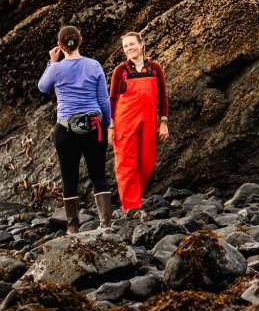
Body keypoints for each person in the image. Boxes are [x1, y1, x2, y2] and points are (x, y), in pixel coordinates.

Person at [37, 25, 112, 233]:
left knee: (69, 178)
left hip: (66, 130)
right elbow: (104, 100)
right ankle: (106, 226)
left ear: (59, 45)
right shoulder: (94, 65)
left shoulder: (56, 68)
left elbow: (42, 87)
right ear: (81, 40)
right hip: (94, 128)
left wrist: (51, 62)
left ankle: (72, 229)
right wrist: (107, 124)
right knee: (98, 175)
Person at [109, 31, 170, 216]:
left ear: (142, 43)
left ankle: (134, 199)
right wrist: (110, 126)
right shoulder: (121, 71)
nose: (129, 48)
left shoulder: (155, 68)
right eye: (126, 46)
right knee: (126, 165)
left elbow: (163, 96)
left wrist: (164, 121)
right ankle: (131, 207)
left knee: (147, 162)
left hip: (149, 121)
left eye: (132, 44)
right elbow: (111, 100)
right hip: (124, 122)